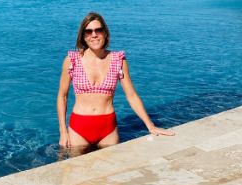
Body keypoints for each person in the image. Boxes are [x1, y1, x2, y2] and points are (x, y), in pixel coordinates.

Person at [57, 12, 175, 150]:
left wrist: (150, 125)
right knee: (73, 164)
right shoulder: (72, 60)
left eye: (98, 30)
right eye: (88, 31)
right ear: (83, 36)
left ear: (105, 33)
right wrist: (63, 132)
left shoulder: (118, 60)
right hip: (79, 128)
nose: (94, 35)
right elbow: (62, 96)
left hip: (108, 129)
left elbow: (131, 95)